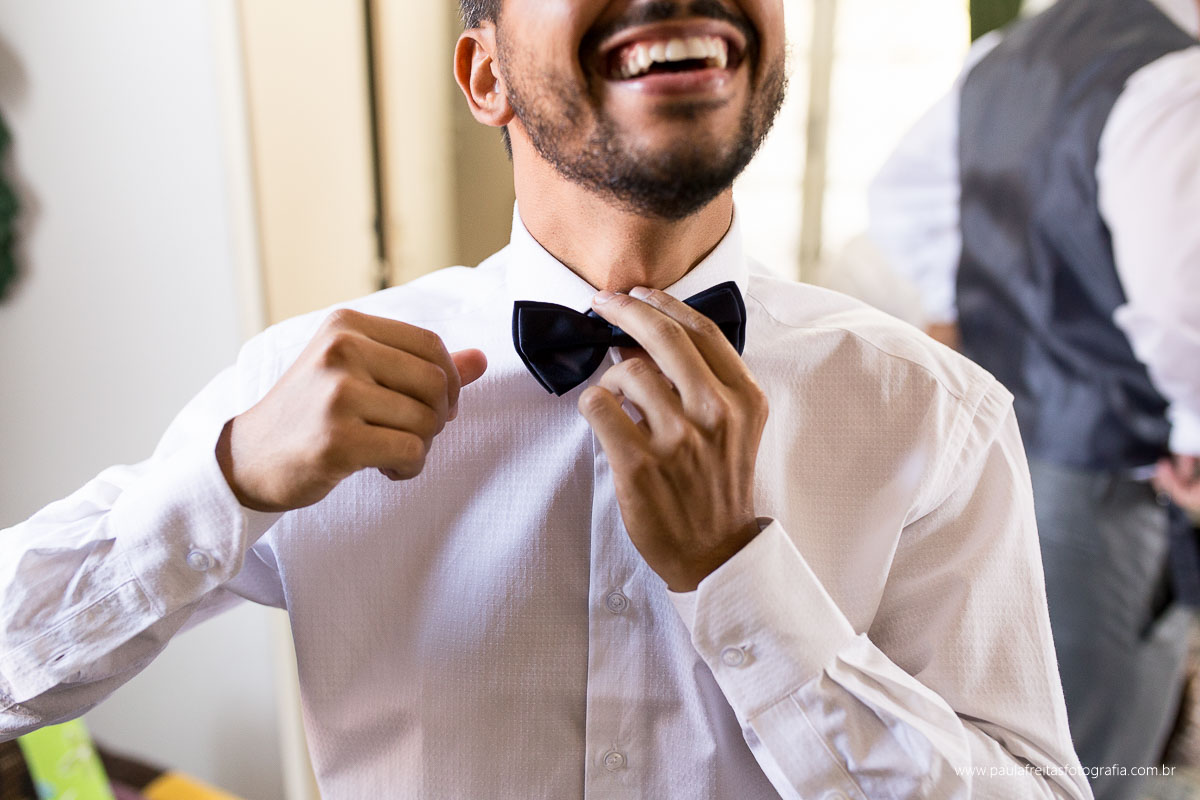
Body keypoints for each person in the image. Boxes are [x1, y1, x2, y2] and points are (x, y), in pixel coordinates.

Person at [0, 0, 1090, 797]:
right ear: (485, 77)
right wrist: (225, 477)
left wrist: (744, 577)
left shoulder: (937, 416)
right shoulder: (296, 389)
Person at [869, 0, 1200, 797]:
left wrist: (962, 307)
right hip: (1117, 462)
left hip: (998, 438)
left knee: (1005, 718)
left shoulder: (1007, 55)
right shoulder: (1176, 77)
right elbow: (1181, 302)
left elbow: (899, 196)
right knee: (1091, 744)